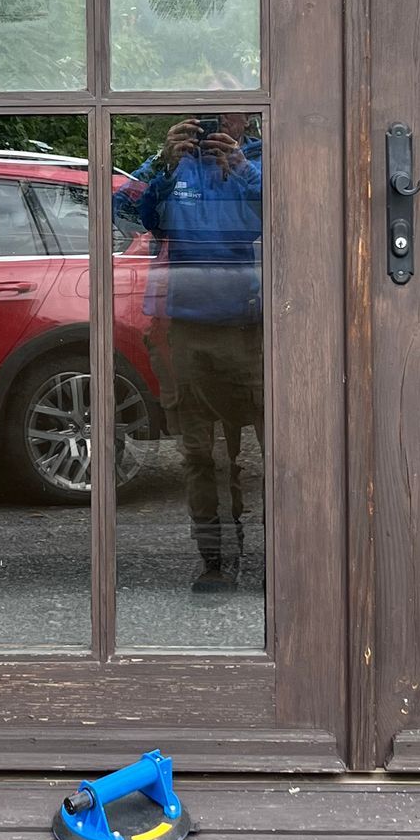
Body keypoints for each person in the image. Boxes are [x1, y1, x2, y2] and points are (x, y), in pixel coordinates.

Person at [127, 115, 265, 594]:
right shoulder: (174, 162)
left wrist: (243, 167)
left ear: (246, 117)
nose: (216, 127)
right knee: (198, 452)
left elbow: (283, 214)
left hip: (253, 327)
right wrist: (165, 165)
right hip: (185, 325)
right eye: (208, 115)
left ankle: (277, 555)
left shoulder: (263, 160)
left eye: (228, 114)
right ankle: (213, 561)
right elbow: (128, 212)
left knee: (273, 448)